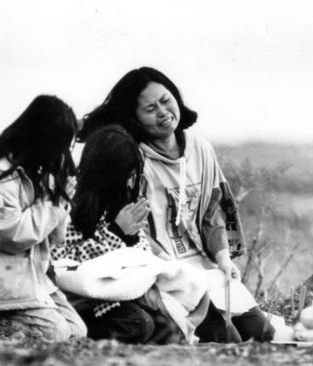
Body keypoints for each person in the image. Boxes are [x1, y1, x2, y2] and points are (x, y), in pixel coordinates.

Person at [82, 66, 274, 342]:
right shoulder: (131, 159)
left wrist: (222, 256)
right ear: (134, 118)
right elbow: (134, 234)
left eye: (165, 100)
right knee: (224, 338)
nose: (162, 112)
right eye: (150, 108)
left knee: (261, 333)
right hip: (165, 273)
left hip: (205, 267)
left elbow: (214, 209)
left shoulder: (200, 149)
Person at [51, 125, 206, 344]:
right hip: (85, 300)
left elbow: (140, 261)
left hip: (124, 296)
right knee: (138, 324)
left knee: (165, 327)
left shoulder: (122, 201)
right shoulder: (73, 202)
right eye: (126, 174)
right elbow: (67, 263)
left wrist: (130, 237)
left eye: (133, 174)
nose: (130, 181)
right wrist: (115, 232)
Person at [0, 95, 87, 341]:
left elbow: (55, 238)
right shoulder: (0, 177)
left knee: (76, 331)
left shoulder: (39, 173)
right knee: (56, 332)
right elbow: (10, 235)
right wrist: (53, 206)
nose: (63, 153)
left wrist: (61, 202)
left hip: (26, 277)